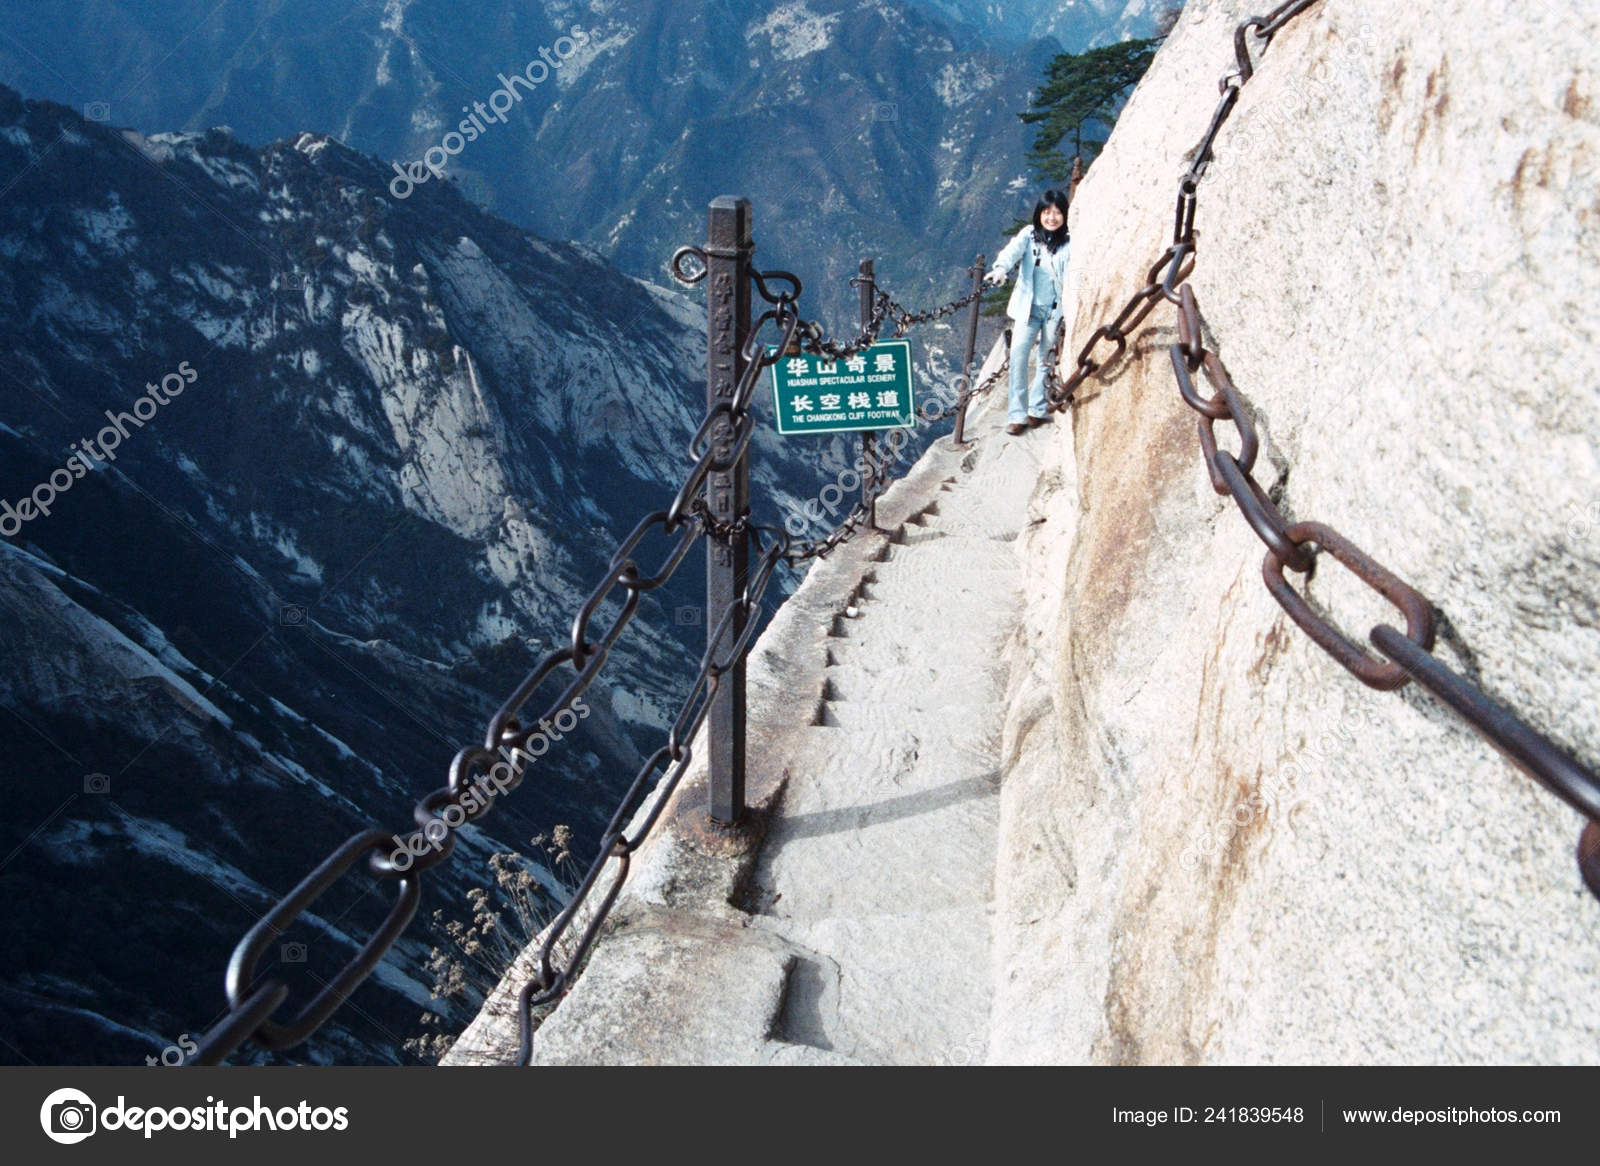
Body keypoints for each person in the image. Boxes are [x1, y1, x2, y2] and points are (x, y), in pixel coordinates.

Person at [984, 189, 1071, 435]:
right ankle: (1017, 415)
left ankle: (1037, 409)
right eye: (1047, 212)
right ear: (1039, 214)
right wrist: (1000, 269)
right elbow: (1011, 252)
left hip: (1055, 311)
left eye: (1057, 212)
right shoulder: (1029, 235)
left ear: (1065, 215)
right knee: (1018, 358)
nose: (1052, 218)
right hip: (1028, 308)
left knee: (1046, 359)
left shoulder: (1070, 241)